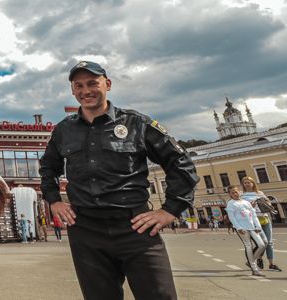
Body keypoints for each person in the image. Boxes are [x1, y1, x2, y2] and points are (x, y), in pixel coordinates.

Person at [40, 61, 199, 300]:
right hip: (86, 231)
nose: (86, 91)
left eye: (93, 83)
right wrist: (54, 201)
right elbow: (48, 168)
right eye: (79, 86)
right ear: (73, 91)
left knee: (159, 295)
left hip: (135, 227)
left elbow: (181, 163)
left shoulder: (137, 123)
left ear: (108, 84)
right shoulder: (63, 130)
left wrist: (170, 211)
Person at [240, 176, 282, 271]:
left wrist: (267, 202)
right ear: (243, 185)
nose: (247, 184)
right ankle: (258, 258)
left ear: (253, 183)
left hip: (265, 218)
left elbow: (268, 203)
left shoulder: (259, 193)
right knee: (263, 242)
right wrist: (251, 206)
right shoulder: (242, 196)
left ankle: (271, 264)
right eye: (245, 183)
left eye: (249, 182)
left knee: (270, 243)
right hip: (254, 221)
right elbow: (242, 210)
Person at [226, 185, 267, 276]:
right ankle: (254, 268)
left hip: (252, 227)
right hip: (242, 228)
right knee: (248, 246)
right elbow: (231, 217)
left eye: (236, 192)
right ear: (230, 195)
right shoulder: (231, 203)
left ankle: (250, 262)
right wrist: (238, 227)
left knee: (261, 245)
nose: (235, 194)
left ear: (239, 192)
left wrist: (258, 226)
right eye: (232, 193)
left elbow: (254, 215)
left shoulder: (246, 202)